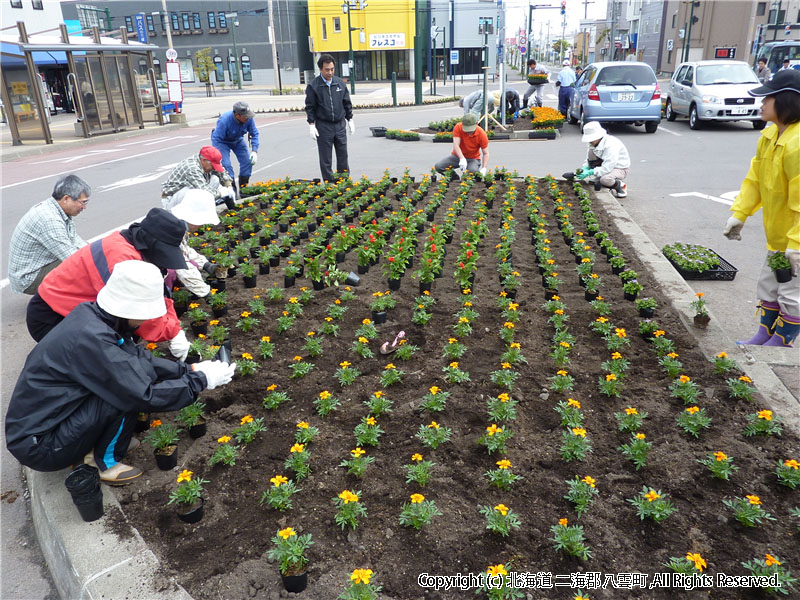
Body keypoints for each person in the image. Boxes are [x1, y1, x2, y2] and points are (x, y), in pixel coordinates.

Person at [6, 260, 235, 484]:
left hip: (49, 423)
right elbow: (143, 395)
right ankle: (105, 463)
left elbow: (136, 359)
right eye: (146, 312)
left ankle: (99, 442)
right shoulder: (94, 339)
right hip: (42, 445)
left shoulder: (94, 317)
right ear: (131, 307)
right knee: (123, 395)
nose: (148, 318)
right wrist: (200, 381)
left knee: (127, 377)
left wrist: (188, 369)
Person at [26, 208, 191, 364]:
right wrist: (173, 332)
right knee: (92, 365)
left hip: (72, 309)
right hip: (52, 315)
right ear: (153, 246)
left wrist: (174, 327)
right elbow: (138, 311)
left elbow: (157, 296)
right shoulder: (123, 259)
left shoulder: (133, 245)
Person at [723, 69, 800, 347]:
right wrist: (739, 214)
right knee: (770, 284)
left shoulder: (797, 144)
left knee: (792, 291)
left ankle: (782, 340)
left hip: (796, 239)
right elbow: (754, 179)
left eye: (768, 98)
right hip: (778, 237)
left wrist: (797, 243)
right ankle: (764, 333)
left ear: (787, 102)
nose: (762, 103)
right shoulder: (768, 136)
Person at [8, 174, 90, 295]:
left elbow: (75, 241)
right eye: (82, 202)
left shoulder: (56, 209)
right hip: (28, 279)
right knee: (79, 267)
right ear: (66, 198)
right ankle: (66, 302)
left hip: (33, 269)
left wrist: (97, 252)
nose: (84, 207)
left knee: (86, 256)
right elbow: (71, 257)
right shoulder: (49, 219)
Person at [305, 54, 354, 182]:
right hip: (323, 125)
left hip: (339, 125)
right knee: (326, 157)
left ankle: (343, 181)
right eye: (327, 69)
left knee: (343, 155)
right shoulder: (314, 86)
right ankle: (329, 183)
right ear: (320, 69)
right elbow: (310, 107)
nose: (330, 72)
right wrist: (311, 125)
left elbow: (346, 102)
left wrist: (350, 119)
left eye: (332, 69)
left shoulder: (339, 83)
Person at [169, 189, 220, 298]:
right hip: (136, 262)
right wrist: (205, 293)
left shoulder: (177, 224)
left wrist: (205, 264)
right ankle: (164, 297)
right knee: (170, 273)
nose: (201, 225)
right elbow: (182, 265)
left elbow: (184, 250)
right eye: (201, 221)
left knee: (194, 265)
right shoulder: (171, 231)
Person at [161, 146, 236, 211]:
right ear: (203, 161)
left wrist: (228, 186)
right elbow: (204, 190)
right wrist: (221, 193)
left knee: (215, 179)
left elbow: (221, 172)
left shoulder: (205, 159)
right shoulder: (192, 168)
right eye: (212, 166)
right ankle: (188, 214)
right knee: (195, 192)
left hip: (188, 192)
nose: (213, 168)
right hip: (172, 199)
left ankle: (202, 209)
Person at [568, 121, 630, 198]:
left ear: (598, 136)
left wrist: (591, 172)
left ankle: (620, 185)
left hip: (619, 168)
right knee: (591, 152)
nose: (589, 141)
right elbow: (588, 159)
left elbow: (608, 166)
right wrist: (585, 168)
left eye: (591, 139)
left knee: (605, 180)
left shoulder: (611, 145)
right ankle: (600, 177)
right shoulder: (593, 143)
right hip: (605, 165)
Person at [211, 101, 260, 192]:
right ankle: (231, 189)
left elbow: (254, 134)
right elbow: (216, 139)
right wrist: (217, 156)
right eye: (245, 116)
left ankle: (244, 188)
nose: (248, 118)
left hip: (238, 139)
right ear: (237, 115)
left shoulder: (249, 119)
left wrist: (254, 151)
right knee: (226, 165)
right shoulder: (224, 120)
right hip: (223, 142)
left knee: (247, 162)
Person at [434, 113, 490, 178]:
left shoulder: (481, 134)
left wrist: (484, 168)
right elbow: (456, 145)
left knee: (472, 172)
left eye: (471, 130)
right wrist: (462, 158)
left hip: (473, 159)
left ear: (476, 124)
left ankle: (466, 180)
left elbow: (486, 153)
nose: (468, 132)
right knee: (439, 166)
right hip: (457, 156)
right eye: (466, 129)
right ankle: (454, 178)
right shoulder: (458, 127)